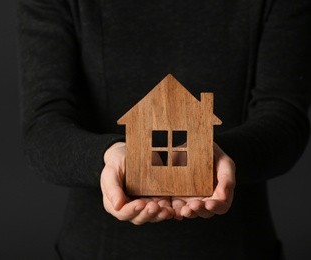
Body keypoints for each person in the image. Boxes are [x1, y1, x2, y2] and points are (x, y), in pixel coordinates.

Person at [17, 0, 310, 259]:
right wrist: (106, 155)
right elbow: (44, 126)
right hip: (97, 247)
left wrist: (215, 157)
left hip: (240, 246)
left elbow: (284, 117)